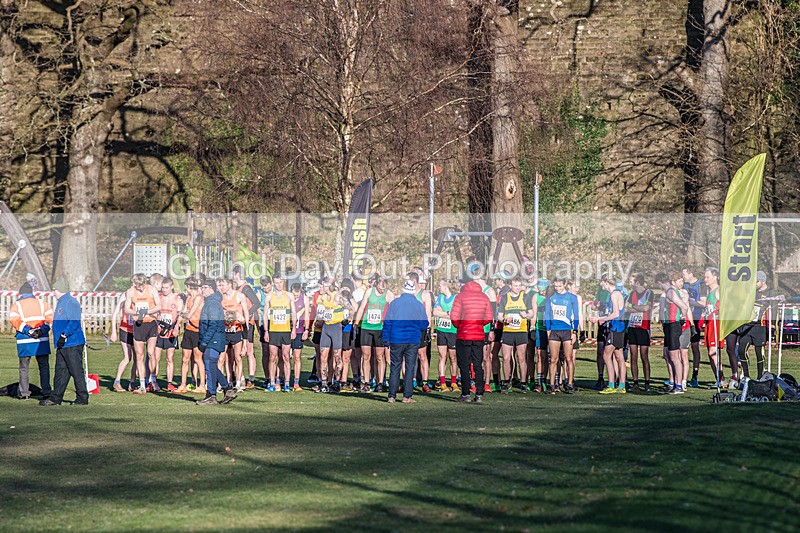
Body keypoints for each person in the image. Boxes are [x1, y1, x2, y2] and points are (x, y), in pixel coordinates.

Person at [40, 279, 89, 406]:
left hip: (72, 343)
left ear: (61, 289)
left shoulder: (71, 302)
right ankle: (56, 397)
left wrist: (64, 334)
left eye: (55, 290)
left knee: (76, 371)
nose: (53, 292)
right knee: (61, 371)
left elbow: (74, 322)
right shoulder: (62, 302)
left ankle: (82, 397)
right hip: (63, 344)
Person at [382, 280, 429, 403]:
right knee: (409, 367)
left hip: (396, 339)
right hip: (412, 339)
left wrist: (385, 338)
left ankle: (391, 396)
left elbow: (387, 322)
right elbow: (424, 324)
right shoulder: (418, 305)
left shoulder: (394, 304)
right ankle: (407, 396)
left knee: (395, 366)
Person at [451, 274, 493, 403]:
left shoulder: (461, 297)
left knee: (464, 364)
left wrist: (462, 326)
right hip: (479, 334)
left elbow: (454, 317)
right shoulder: (484, 297)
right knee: (477, 364)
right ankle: (479, 393)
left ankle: (466, 393)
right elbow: (489, 316)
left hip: (464, 334)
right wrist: (479, 324)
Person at [9, 281, 53, 400]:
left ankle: (24, 393)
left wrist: (29, 331)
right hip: (41, 340)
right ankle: (46, 391)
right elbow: (50, 320)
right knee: (44, 367)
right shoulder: (42, 303)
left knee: (24, 368)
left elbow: (14, 321)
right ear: (31, 292)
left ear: (21, 293)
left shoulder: (17, 305)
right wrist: (40, 331)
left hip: (25, 341)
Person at [196, 279, 237, 405]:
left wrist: (204, 342)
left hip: (213, 340)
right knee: (212, 366)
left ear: (212, 289)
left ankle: (211, 395)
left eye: (205, 287)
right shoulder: (210, 302)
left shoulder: (212, 303)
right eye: (201, 287)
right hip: (213, 339)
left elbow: (213, 325)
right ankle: (228, 390)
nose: (202, 290)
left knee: (209, 366)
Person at [738, 270, 783, 379]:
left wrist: (772, 326)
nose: (754, 284)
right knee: (741, 350)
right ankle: (746, 376)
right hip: (748, 325)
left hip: (760, 327)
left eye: (756, 281)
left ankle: (760, 377)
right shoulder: (752, 291)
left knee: (759, 353)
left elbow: (774, 309)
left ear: (762, 281)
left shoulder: (771, 292)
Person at [355, 275, 393, 392]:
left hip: (380, 328)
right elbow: (361, 308)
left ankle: (380, 382)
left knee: (379, 356)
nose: (382, 290)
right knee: (366, 356)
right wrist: (356, 323)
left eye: (384, 289)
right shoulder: (369, 292)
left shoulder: (388, 294)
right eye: (381, 288)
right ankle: (366, 382)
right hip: (366, 327)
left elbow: (394, 309)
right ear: (376, 284)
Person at [124, 273, 162, 394]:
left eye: (140, 285)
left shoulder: (152, 290)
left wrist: (147, 312)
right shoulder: (130, 292)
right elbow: (127, 309)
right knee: (139, 355)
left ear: (144, 283)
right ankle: (141, 385)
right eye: (136, 285)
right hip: (139, 324)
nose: (138, 288)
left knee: (151, 353)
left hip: (151, 323)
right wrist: (137, 312)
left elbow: (159, 305)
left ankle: (153, 380)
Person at [497, 276, 532, 393]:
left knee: (521, 358)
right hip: (508, 331)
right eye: (515, 286)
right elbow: (499, 316)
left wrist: (526, 315)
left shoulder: (525, 297)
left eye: (519, 286)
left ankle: (523, 383)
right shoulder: (505, 298)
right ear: (510, 286)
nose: (517, 288)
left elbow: (531, 314)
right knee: (506, 358)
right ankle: (506, 382)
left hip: (521, 331)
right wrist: (504, 320)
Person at [546, 278, 580, 394]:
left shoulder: (571, 297)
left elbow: (576, 315)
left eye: (560, 286)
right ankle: (551, 384)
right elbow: (547, 314)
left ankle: (570, 383)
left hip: (567, 331)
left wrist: (574, 331)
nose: (558, 289)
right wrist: (548, 329)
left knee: (568, 358)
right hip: (554, 331)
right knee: (553, 359)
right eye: (556, 286)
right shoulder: (551, 298)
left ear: (564, 285)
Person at [264, 273, 296, 392]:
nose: (279, 285)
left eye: (281, 282)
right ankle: (272, 383)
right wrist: (266, 331)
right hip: (273, 331)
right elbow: (265, 315)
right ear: (273, 283)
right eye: (276, 282)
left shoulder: (289, 296)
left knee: (286, 357)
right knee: (272, 357)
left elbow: (294, 314)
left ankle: (287, 383)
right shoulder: (269, 297)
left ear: (284, 282)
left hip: (285, 331)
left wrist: (293, 329)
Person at [153, 277, 184, 391]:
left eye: (166, 288)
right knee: (155, 358)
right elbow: (155, 313)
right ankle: (153, 381)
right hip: (159, 331)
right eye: (163, 287)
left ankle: (169, 383)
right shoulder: (159, 298)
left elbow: (180, 315)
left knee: (169, 358)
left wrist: (177, 327)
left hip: (170, 332)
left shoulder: (177, 299)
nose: (164, 290)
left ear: (171, 287)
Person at [218, 277, 249, 391]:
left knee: (238, 358)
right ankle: (222, 383)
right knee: (222, 358)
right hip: (224, 331)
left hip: (237, 331)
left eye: (223, 285)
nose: (221, 288)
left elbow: (246, 312)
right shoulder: (221, 297)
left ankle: (238, 382)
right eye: (220, 285)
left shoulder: (239, 296)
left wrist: (244, 322)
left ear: (229, 285)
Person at [233, 266, 261, 388]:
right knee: (237, 352)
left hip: (247, 323)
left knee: (249, 351)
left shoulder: (246, 288)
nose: (233, 277)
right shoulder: (236, 289)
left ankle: (251, 379)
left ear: (237, 274)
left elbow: (257, 303)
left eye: (233, 274)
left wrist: (247, 313)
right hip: (237, 323)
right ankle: (240, 377)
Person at [178, 278, 206, 394]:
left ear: (189, 286)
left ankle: (202, 385)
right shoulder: (189, 297)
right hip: (188, 330)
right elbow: (184, 312)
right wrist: (177, 325)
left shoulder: (199, 297)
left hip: (197, 331)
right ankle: (183, 384)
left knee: (198, 358)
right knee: (185, 359)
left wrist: (182, 314)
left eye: (186, 287)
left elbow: (188, 314)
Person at [626, 273, 653, 392]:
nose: (629, 284)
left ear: (637, 282)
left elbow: (646, 308)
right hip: (632, 327)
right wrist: (637, 307)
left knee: (644, 356)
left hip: (643, 327)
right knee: (633, 356)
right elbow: (626, 308)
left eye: (631, 281)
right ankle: (635, 383)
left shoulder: (649, 293)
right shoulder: (631, 294)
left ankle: (647, 383)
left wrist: (634, 307)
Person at [699, 268, 724, 386]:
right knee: (711, 352)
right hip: (709, 324)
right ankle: (718, 378)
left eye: (707, 277)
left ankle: (721, 378)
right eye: (705, 277)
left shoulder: (719, 291)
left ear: (715, 277)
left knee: (713, 352)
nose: (705, 280)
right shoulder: (709, 291)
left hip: (716, 323)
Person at [433, 278, 459, 392]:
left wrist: (443, 313)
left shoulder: (456, 298)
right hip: (441, 330)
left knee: (453, 357)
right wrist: (447, 313)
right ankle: (443, 383)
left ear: (445, 286)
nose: (439, 288)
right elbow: (435, 312)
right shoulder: (440, 297)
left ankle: (454, 382)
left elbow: (456, 314)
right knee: (442, 356)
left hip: (453, 331)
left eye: (440, 286)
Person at [683, 267, 707, 387]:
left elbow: (703, 303)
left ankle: (695, 375)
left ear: (691, 273)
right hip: (685, 320)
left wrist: (688, 302)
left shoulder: (701, 285)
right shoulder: (684, 285)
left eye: (684, 274)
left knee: (695, 347)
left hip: (696, 319)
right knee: (682, 349)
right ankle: (681, 377)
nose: (683, 277)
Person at [110, 289, 135, 392]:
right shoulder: (125, 295)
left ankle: (132, 383)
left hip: (137, 330)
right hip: (125, 329)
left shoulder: (143, 295)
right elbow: (115, 314)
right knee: (127, 357)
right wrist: (114, 332)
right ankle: (117, 381)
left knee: (138, 358)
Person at [290, 282, 310, 391]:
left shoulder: (305, 299)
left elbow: (307, 314)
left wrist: (306, 330)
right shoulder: (288, 298)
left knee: (297, 357)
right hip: (287, 330)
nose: (296, 297)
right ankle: (284, 380)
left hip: (299, 330)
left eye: (297, 295)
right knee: (284, 357)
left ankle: (296, 382)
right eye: (294, 295)